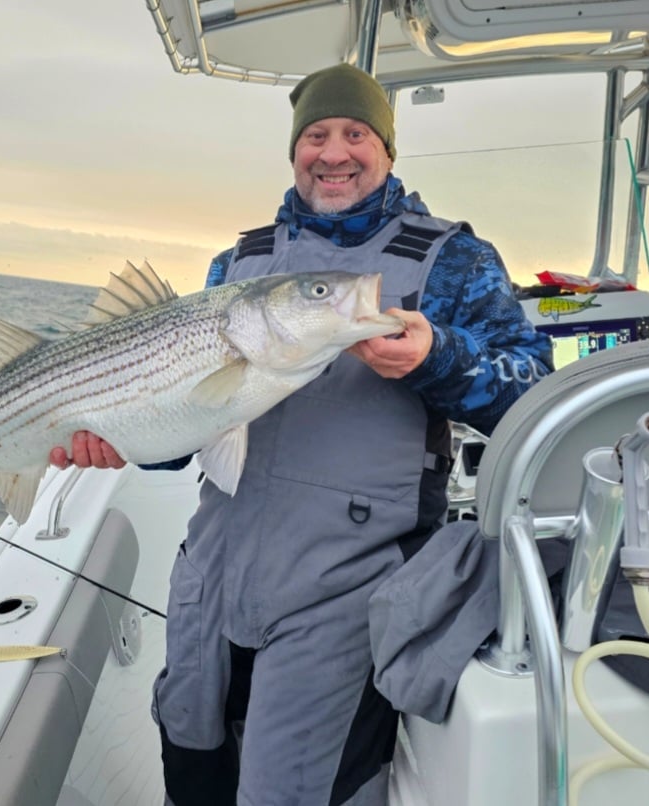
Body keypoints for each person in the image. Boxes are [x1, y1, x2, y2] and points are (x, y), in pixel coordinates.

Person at [50, 63, 553, 806]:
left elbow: (532, 394)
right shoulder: (241, 261)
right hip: (213, 579)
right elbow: (186, 428)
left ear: (385, 149)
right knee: (192, 761)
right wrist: (122, 439)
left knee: (294, 790)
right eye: (316, 135)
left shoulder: (452, 261)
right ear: (294, 150)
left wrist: (435, 356)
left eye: (356, 134)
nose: (334, 152)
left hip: (346, 588)